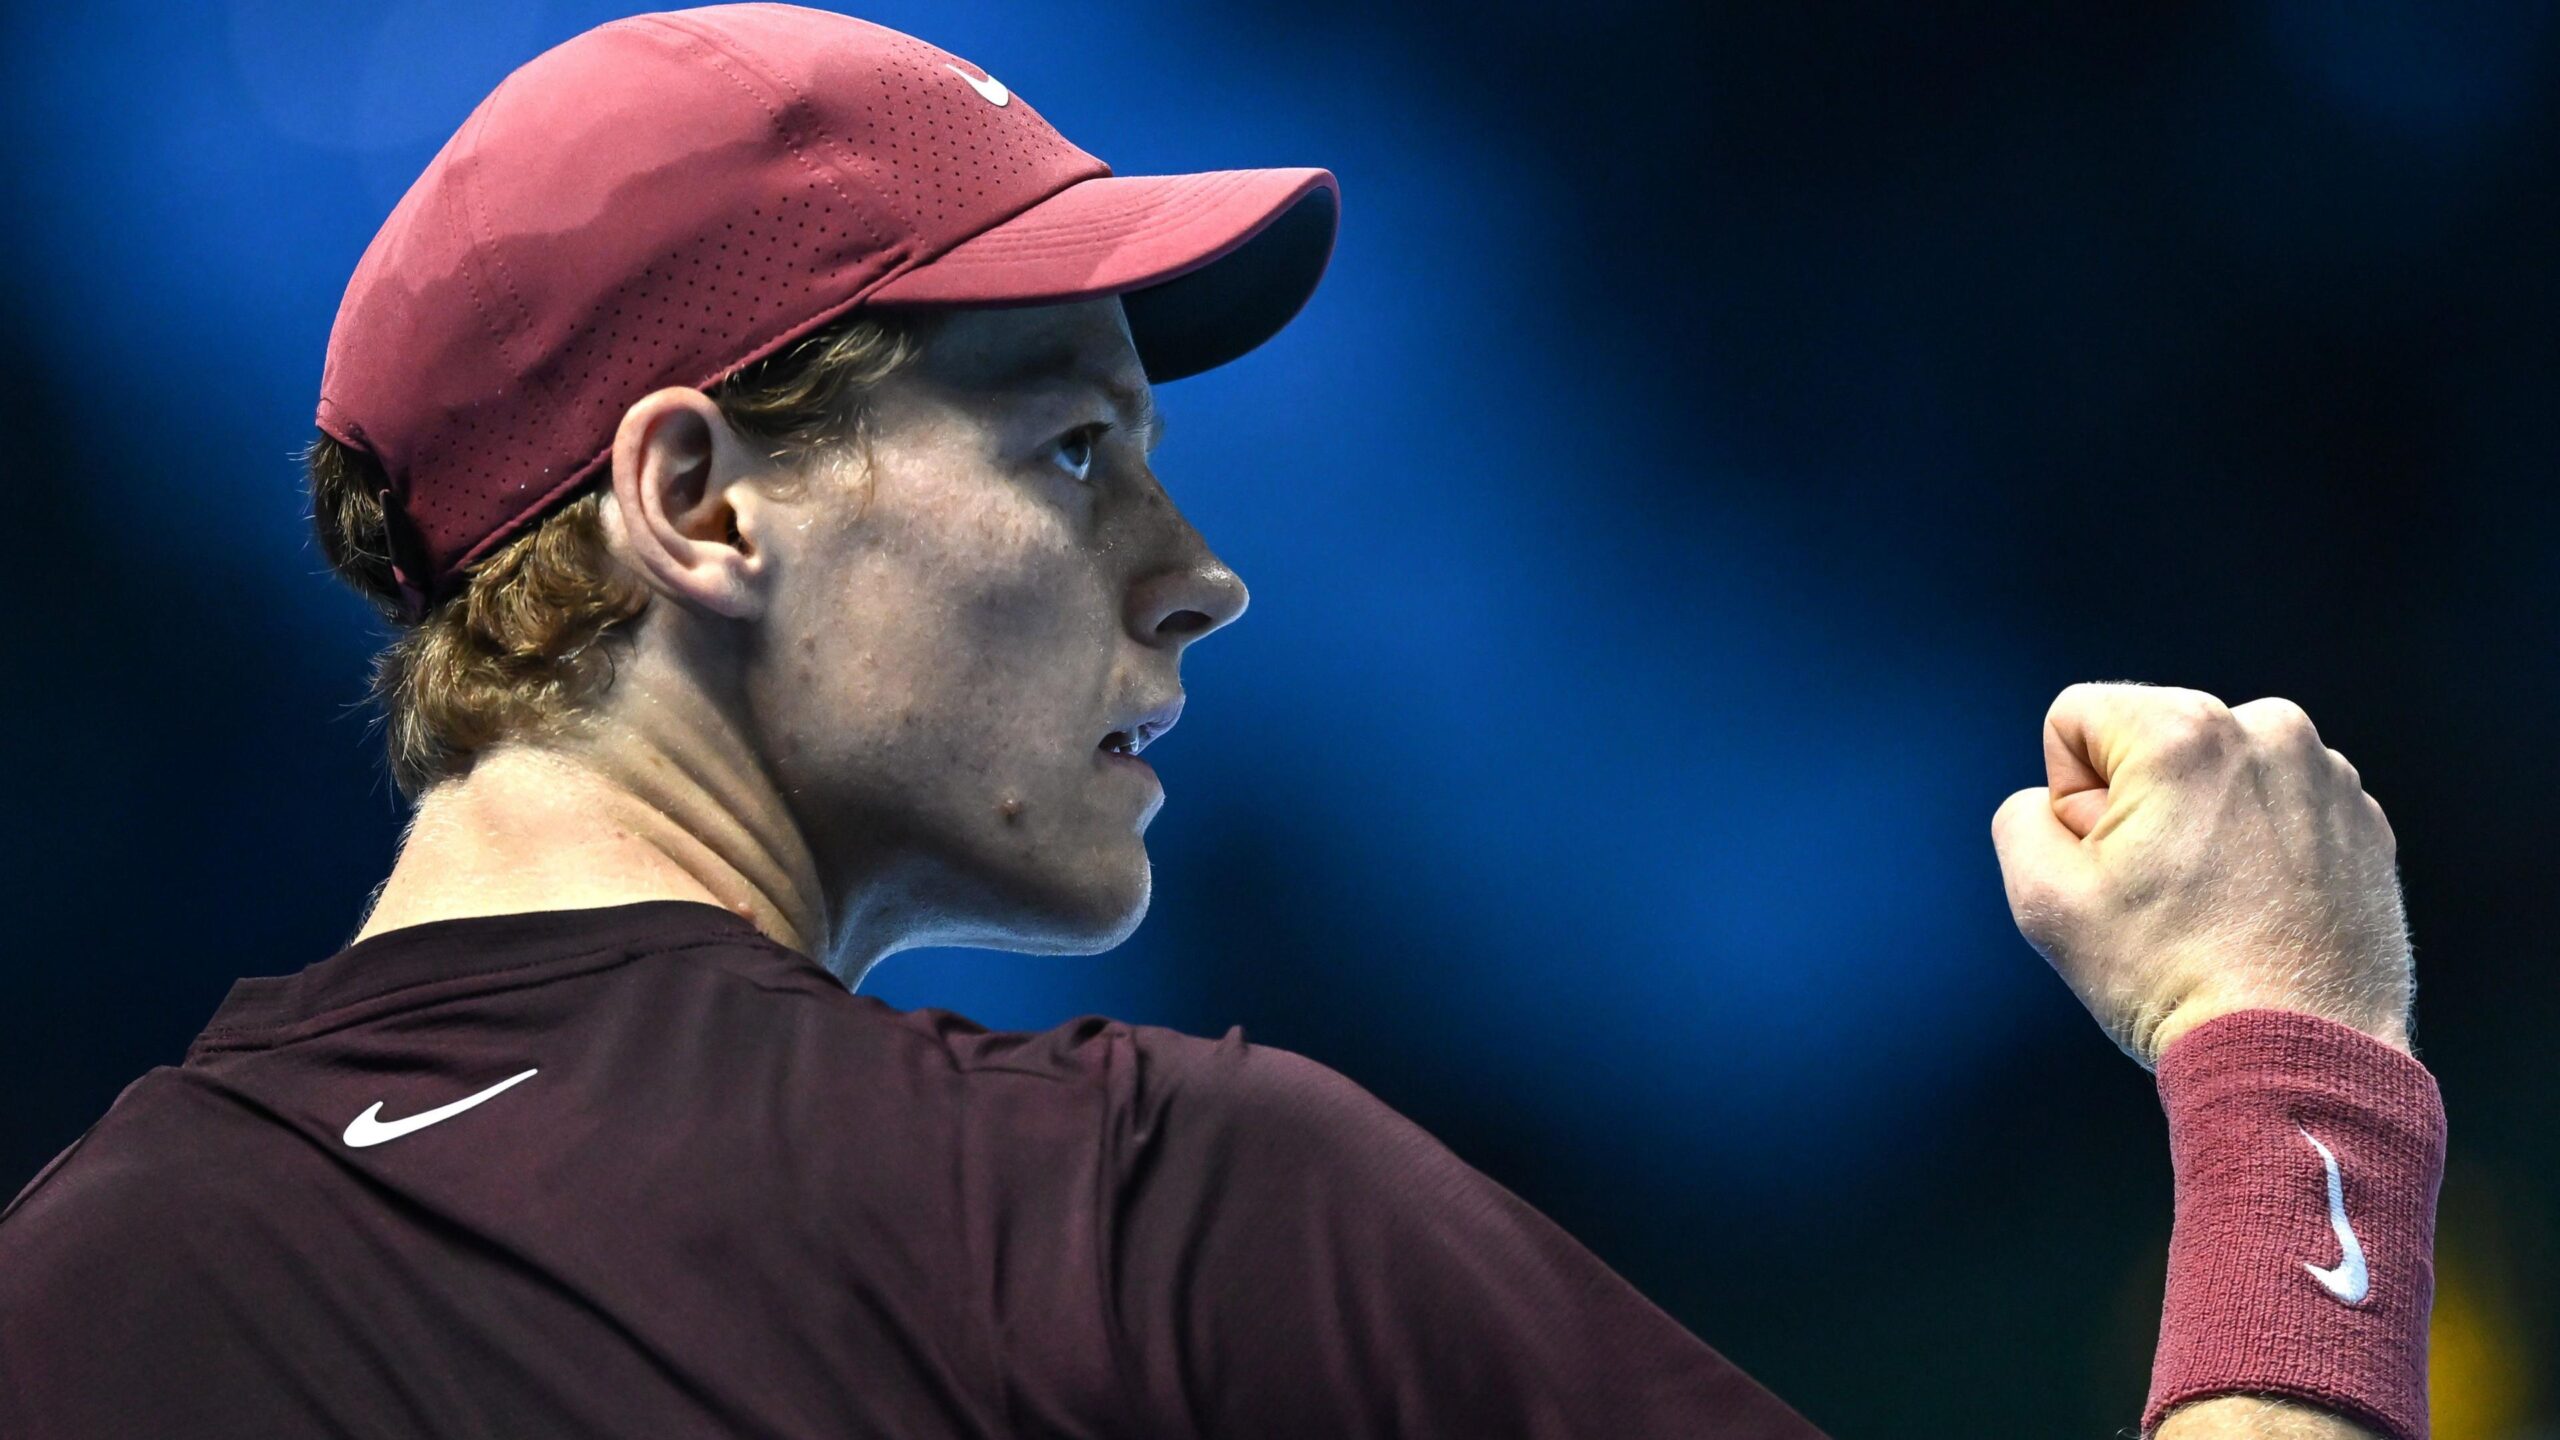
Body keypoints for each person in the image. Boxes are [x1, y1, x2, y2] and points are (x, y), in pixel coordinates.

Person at [0, 7, 2443, 1438]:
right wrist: (2284, 1074)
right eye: (1072, 449)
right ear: (694, 502)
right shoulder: (1133, 1212)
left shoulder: (80, 1290)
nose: (1189, 570)